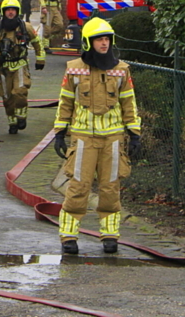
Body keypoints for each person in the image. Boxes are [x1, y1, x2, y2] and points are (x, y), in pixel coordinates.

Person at [52, 17, 142, 255]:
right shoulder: (74, 69)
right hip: (83, 140)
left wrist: (134, 134)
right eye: (99, 39)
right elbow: (66, 102)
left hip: (113, 140)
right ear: (88, 43)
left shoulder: (121, 70)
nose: (104, 44)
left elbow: (129, 103)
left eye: (107, 39)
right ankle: (69, 236)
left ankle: (110, 236)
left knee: (110, 188)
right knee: (78, 187)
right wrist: (60, 132)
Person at [0, 0, 44, 134]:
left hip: (20, 64)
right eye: (8, 10)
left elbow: (37, 42)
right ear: (3, 11)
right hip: (4, 67)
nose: (11, 12)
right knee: (7, 97)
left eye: (13, 10)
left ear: (17, 12)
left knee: (20, 91)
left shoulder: (26, 27)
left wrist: (40, 59)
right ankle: (12, 122)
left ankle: (22, 116)